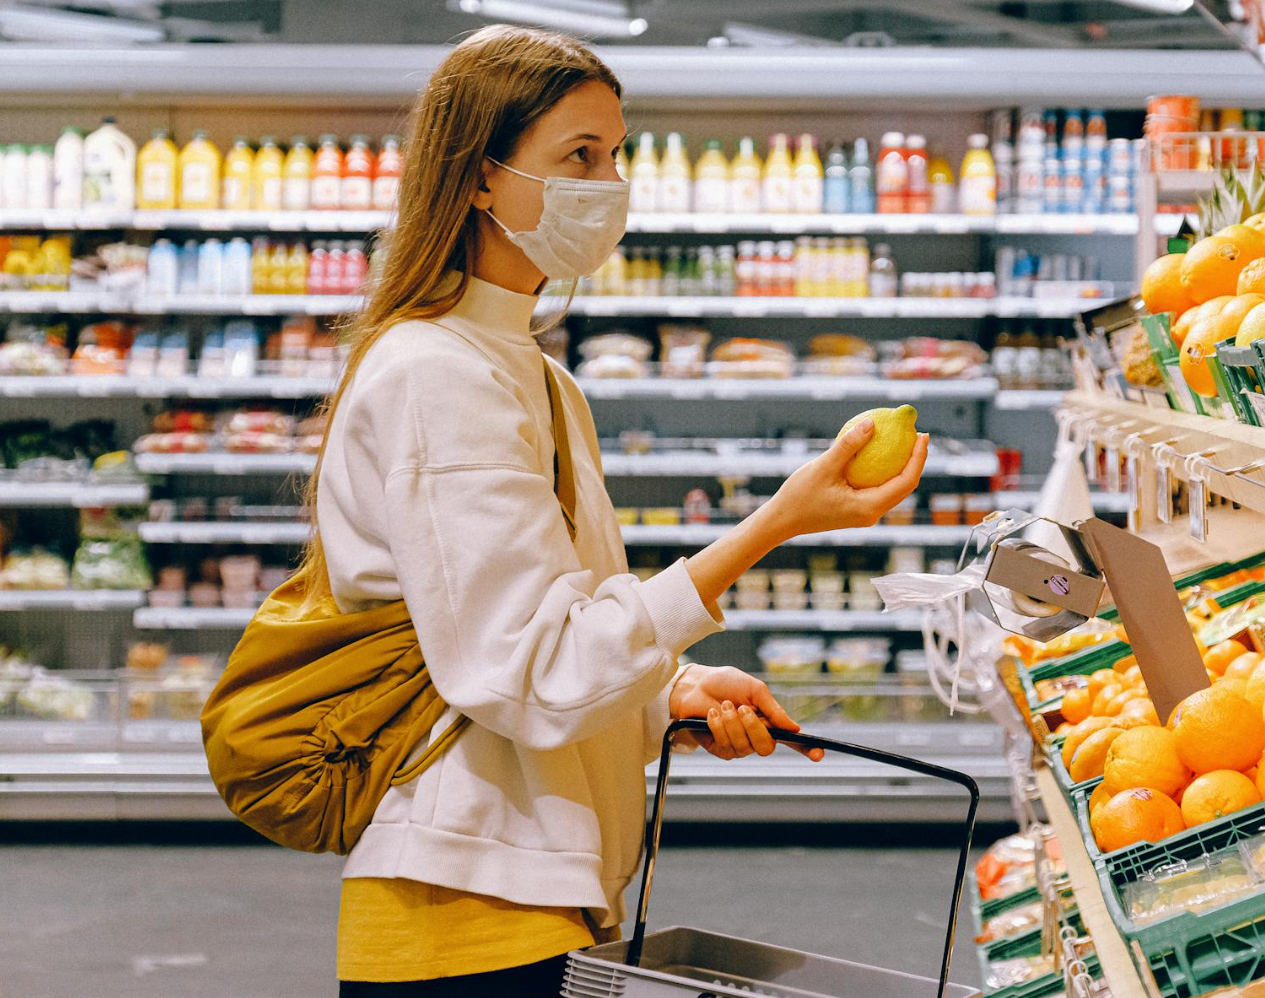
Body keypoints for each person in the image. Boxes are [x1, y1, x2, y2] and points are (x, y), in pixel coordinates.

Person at [296, 25, 929, 996]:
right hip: (461, 912)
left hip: (537, 892)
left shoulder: (538, 377)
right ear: (478, 178)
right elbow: (533, 670)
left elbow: (551, 626)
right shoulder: (435, 375)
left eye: (617, 154)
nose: (610, 184)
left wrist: (661, 691)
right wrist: (772, 525)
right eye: (579, 157)